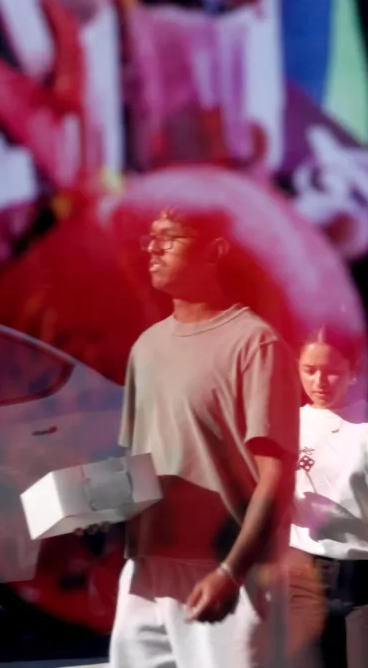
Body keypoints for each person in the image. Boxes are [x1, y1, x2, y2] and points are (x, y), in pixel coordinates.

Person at [110, 207, 302, 668]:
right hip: (145, 574)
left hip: (225, 570)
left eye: (170, 238)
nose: (153, 250)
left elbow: (276, 477)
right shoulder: (145, 347)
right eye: (149, 239)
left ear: (214, 251)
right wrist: (95, 511)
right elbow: (138, 465)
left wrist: (231, 572)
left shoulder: (255, 344)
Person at [286, 326, 368, 668]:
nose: (319, 381)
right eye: (309, 370)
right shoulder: (286, 425)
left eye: (331, 371)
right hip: (304, 580)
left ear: (353, 370)